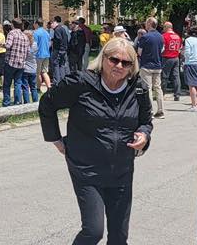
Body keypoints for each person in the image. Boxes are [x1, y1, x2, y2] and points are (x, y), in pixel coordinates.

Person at [39, 37, 153, 245]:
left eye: (126, 63)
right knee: (93, 230)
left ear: (132, 66)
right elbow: (47, 104)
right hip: (86, 169)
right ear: (104, 58)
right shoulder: (80, 83)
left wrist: (144, 135)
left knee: (119, 237)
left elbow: (146, 120)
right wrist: (55, 138)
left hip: (122, 169)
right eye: (114, 60)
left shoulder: (138, 88)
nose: (119, 66)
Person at [136, 18, 165, 118]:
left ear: (149, 24)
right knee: (158, 87)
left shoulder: (145, 37)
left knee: (147, 88)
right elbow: (162, 50)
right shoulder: (161, 37)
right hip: (158, 65)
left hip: (146, 65)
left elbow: (139, 52)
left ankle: (150, 110)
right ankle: (161, 110)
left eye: (146, 22)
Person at [6, 21, 35, 105]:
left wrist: (2, 45)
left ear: (12, 25)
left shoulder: (11, 33)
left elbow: (8, 45)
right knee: (18, 83)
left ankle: (6, 102)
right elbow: (28, 51)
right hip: (21, 63)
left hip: (11, 62)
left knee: (7, 84)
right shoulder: (24, 36)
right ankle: (18, 101)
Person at [161, 22, 183, 103]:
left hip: (167, 57)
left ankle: (162, 93)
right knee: (176, 76)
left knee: (164, 76)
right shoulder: (177, 36)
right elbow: (180, 47)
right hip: (176, 57)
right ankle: (177, 94)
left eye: (164, 27)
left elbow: (162, 48)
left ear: (166, 27)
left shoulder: (164, 36)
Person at [35, 19, 54, 92]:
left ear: (36, 24)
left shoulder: (36, 33)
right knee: (44, 72)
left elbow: (34, 45)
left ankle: (38, 88)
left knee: (38, 73)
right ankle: (49, 87)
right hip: (46, 54)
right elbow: (50, 43)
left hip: (39, 55)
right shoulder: (46, 32)